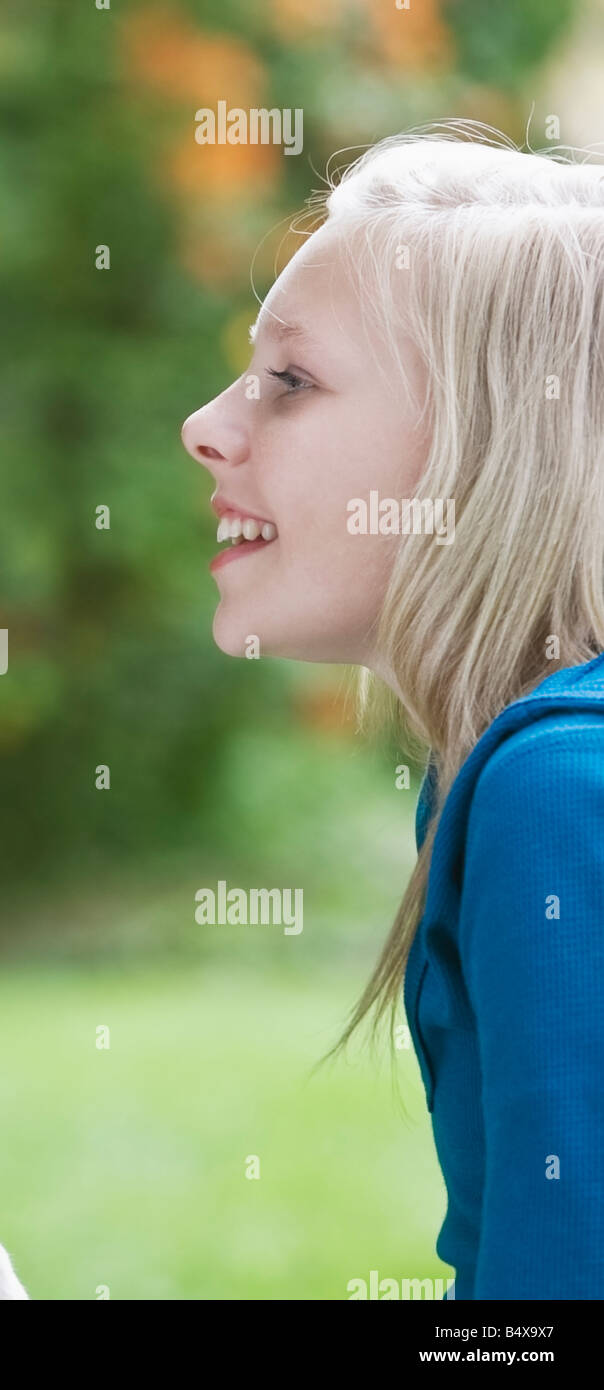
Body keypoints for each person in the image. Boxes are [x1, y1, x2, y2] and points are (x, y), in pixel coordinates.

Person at [180, 126, 604, 1300]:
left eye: (292, 380)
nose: (205, 425)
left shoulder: (559, 780)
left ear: (492, 443)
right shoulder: (504, 765)